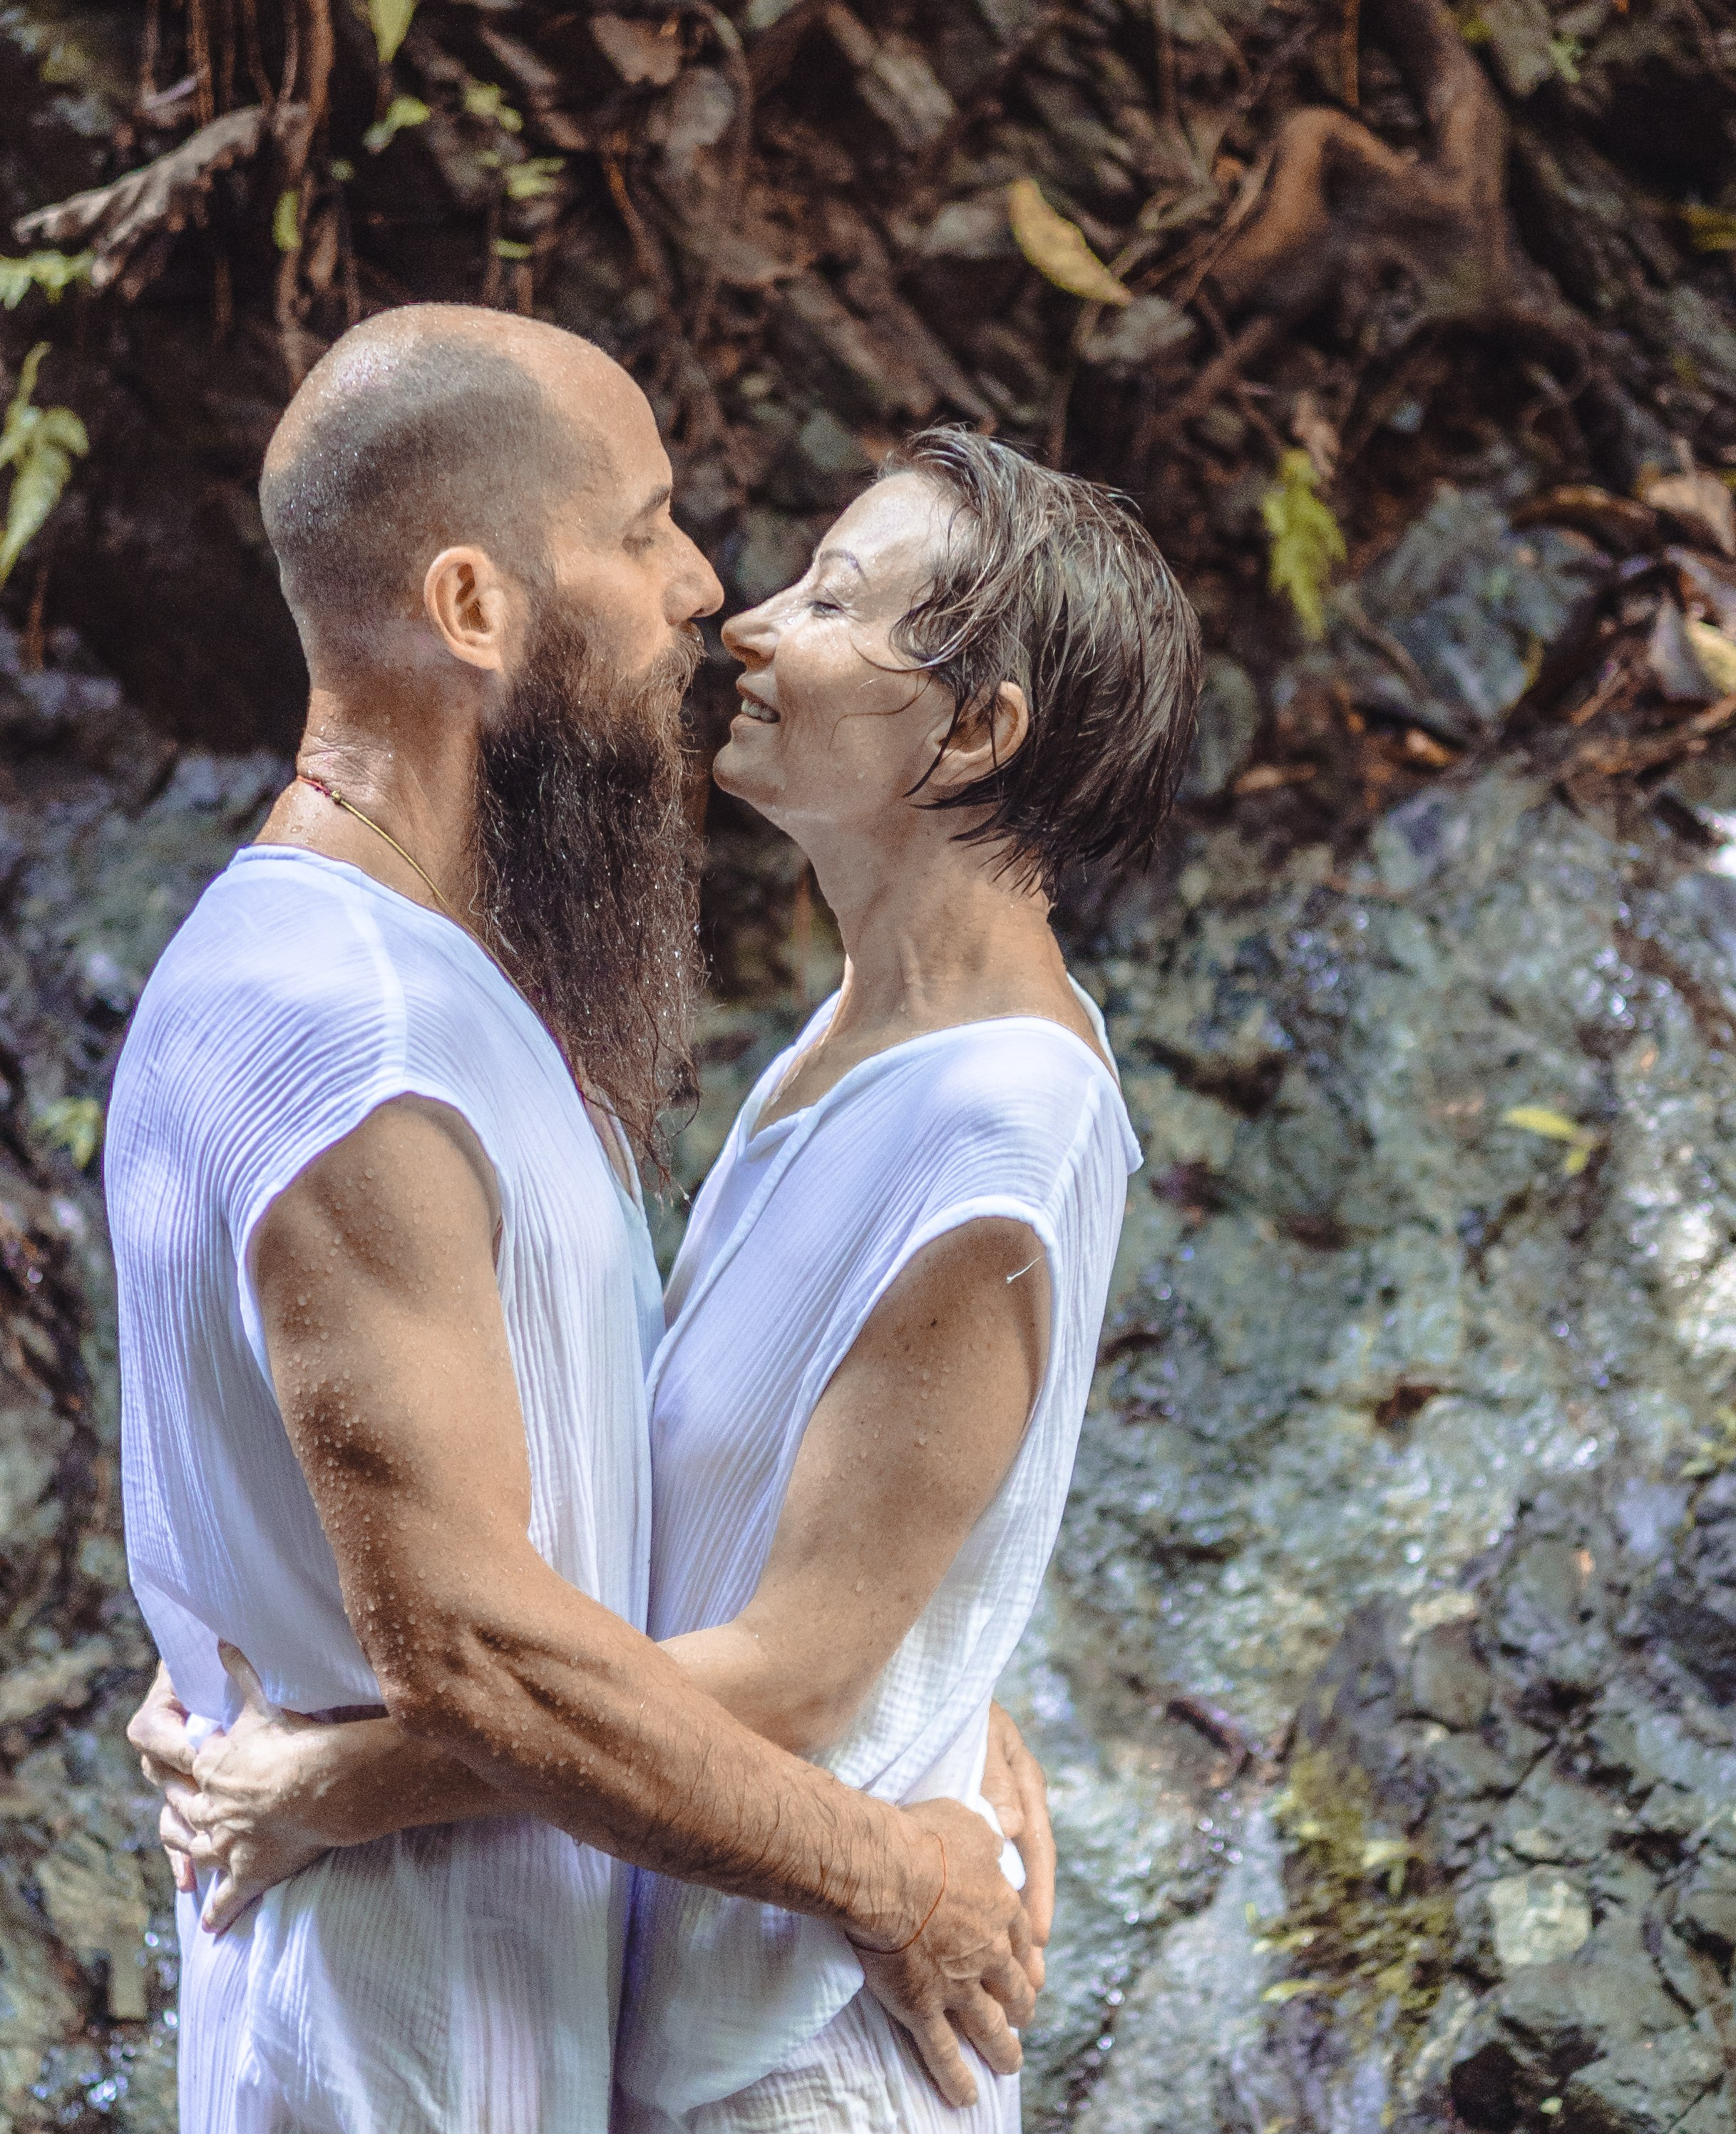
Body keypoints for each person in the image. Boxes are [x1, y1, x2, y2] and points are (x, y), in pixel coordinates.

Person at [135, 424, 1201, 2129]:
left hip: (807, 2050)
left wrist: (336, 1782)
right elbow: (834, 1533)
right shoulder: (856, 1041)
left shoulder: (1005, 1120)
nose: (751, 622)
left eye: (837, 602)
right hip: (694, 1978)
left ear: (980, 732)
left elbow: (793, 1667)